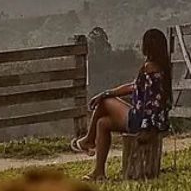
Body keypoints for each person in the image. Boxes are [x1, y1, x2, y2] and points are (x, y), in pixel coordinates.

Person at [70, 27, 171, 181]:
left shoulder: (148, 67)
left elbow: (133, 87)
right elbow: (135, 87)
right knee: (103, 124)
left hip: (141, 121)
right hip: (155, 121)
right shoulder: (163, 68)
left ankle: (89, 140)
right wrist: (109, 92)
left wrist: (105, 94)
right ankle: (99, 172)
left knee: (105, 102)